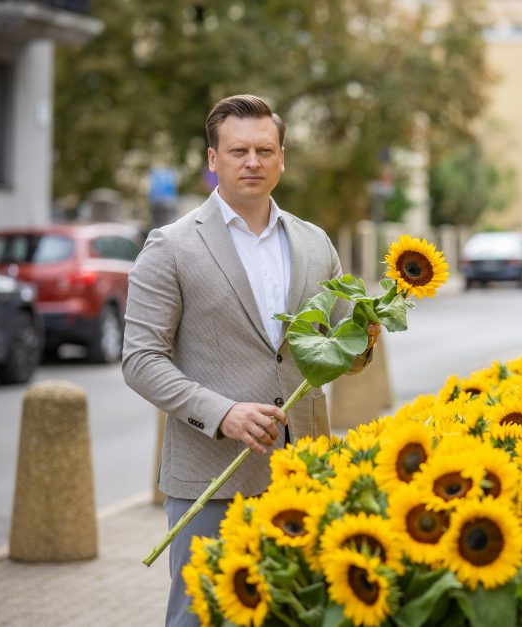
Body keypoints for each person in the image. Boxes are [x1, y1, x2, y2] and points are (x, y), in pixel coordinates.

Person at [122, 94, 377, 627]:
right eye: (238, 151)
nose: (253, 162)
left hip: (303, 472)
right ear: (213, 160)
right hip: (211, 478)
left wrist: (364, 340)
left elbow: (339, 356)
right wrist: (223, 413)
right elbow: (141, 360)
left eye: (265, 150)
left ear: (282, 158)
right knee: (200, 617)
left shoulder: (315, 243)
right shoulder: (169, 246)